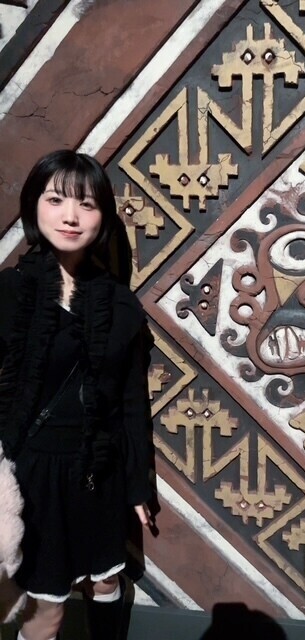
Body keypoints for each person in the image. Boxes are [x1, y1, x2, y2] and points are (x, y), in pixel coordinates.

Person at [0, 150, 154, 640]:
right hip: (32, 475)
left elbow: (131, 403)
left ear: (102, 217)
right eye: (56, 200)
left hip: (96, 472)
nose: (70, 216)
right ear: (33, 206)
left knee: (106, 581)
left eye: (86, 205)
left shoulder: (119, 304)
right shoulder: (8, 293)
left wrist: (137, 486)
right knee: (46, 609)